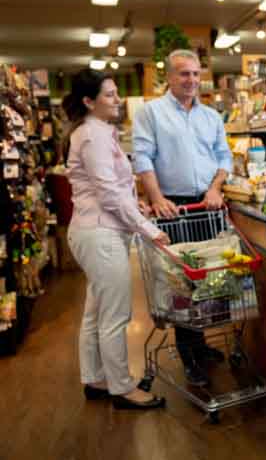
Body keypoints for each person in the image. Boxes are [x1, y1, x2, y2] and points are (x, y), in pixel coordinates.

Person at [64, 69, 167, 410]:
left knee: (97, 311)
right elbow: (108, 194)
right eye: (108, 95)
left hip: (96, 230)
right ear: (88, 101)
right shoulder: (92, 135)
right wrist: (149, 229)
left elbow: (110, 188)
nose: (117, 99)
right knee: (116, 315)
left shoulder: (95, 132)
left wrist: (132, 200)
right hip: (101, 234)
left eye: (115, 93)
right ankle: (122, 388)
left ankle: (95, 379)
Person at [132, 49, 233, 386]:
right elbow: (143, 158)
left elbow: (224, 157)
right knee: (181, 284)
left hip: (206, 205)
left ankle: (200, 343)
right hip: (173, 208)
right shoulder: (152, 113)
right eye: (183, 74)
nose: (191, 80)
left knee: (208, 279)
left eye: (195, 74)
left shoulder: (211, 117)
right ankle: (188, 354)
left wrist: (216, 188)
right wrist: (157, 198)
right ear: (169, 77)